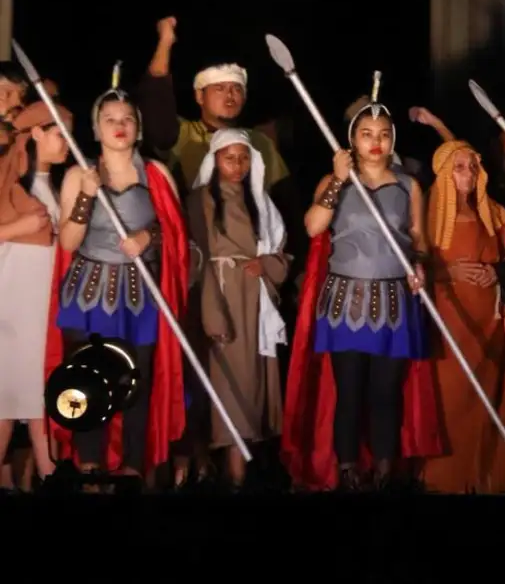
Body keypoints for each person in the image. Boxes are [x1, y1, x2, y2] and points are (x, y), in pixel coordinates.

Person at [281, 73, 439, 490]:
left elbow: (419, 239)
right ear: (352, 140)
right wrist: (337, 179)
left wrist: (420, 265)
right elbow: (313, 226)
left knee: (387, 394)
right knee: (349, 393)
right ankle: (349, 470)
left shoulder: (408, 186)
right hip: (345, 302)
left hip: (394, 302)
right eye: (366, 134)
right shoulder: (334, 182)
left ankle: (384, 472)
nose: (376, 142)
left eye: (383, 134)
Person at [44, 65, 189, 480]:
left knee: (135, 386)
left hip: (142, 296)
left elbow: (175, 233)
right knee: (86, 384)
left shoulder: (156, 174)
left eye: (127, 118)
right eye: (109, 119)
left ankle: (132, 469)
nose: (119, 125)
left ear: (138, 127)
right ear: (97, 128)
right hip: (87, 295)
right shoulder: (79, 174)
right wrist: (87, 197)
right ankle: (90, 469)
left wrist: (147, 236)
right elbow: (68, 241)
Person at [186, 129, 290, 486]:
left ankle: (241, 473)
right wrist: (212, 310)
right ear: (214, 159)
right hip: (218, 297)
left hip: (253, 302)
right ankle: (222, 471)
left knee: (247, 385)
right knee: (223, 386)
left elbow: (279, 251)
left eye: (244, 157)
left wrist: (268, 265)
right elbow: (196, 257)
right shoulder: (200, 200)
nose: (237, 165)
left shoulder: (259, 200)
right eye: (229, 158)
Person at [421, 139, 505, 494]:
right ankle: (442, 480)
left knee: (486, 401)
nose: (468, 173)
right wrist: (446, 272)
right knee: (448, 400)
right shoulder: (427, 214)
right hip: (446, 327)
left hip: (487, 326)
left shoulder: (493, 213)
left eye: (473, 166)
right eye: (459, 167)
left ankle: (484, 478)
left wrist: (497, 272)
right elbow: (411, 267)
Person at [135, 16, 291, 199]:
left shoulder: (260, 142)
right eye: (219, 88)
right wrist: (165, 43)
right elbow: (156, 101)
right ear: (200, 96)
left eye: (237, 88)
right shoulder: (183, 135)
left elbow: (285, 198)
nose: (230, 94)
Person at [0, 99, 71, 484]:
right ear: (37, 133)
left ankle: (49, 476)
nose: (67, 143)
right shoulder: (6, 182)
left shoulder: (57, 188)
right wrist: (19, 228)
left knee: (42, 397)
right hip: (11, 311)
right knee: (7, 404)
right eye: (60, 133)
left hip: (45, 313)